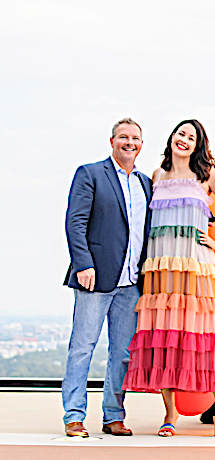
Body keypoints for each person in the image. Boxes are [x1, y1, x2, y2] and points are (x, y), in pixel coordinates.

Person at [123, 119, 215, 439]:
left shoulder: (206, 176)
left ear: (197, 146)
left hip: (195, 268)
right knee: (163, 339)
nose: (185, 140)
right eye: (181, 133)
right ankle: (170, 412)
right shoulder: (157, 176)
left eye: (192, 138)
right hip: (161, 269)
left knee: (206, 341)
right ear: (172, 137)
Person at [62, 118, 152, 438]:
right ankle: (74, 416)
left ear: (141, 144)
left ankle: (114, 416)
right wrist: (83, 264)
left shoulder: (146, 184)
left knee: (122, 353)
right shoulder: (90, 174)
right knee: (82, 347)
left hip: (132, 283)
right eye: (123, 137)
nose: (129, 142)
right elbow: (75, 222)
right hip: (95, 278)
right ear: (112, 141)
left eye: (135, 138)